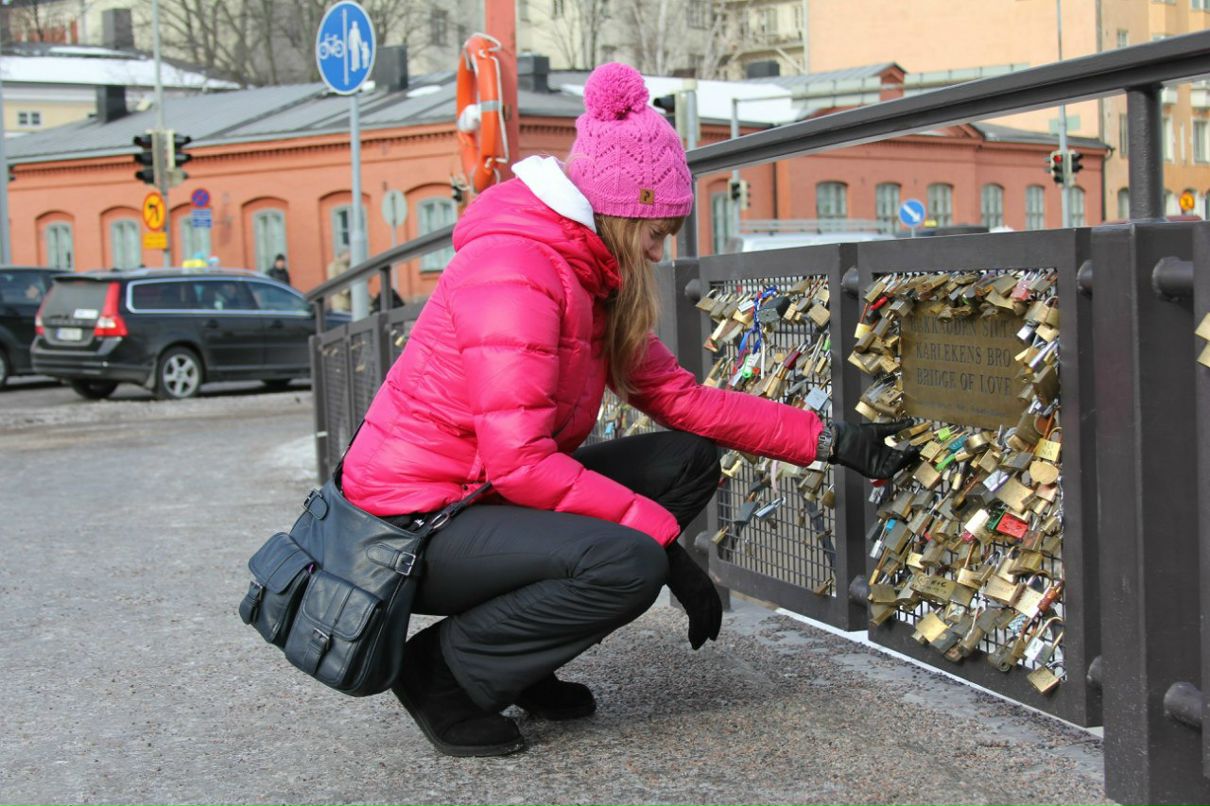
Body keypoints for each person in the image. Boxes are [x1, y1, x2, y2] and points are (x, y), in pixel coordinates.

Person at [339, 62, 916, 758]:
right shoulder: (515, 270)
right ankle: (442, 675)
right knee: (629, 564)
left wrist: (830, 440)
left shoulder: (583, 271)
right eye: (657, 232)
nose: (660, 251)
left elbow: (678, 398)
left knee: (685, 460)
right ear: (620, 212)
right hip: (411, 525)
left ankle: (517, 659)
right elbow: (520, 463)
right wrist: (665, 548)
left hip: (477, 496)